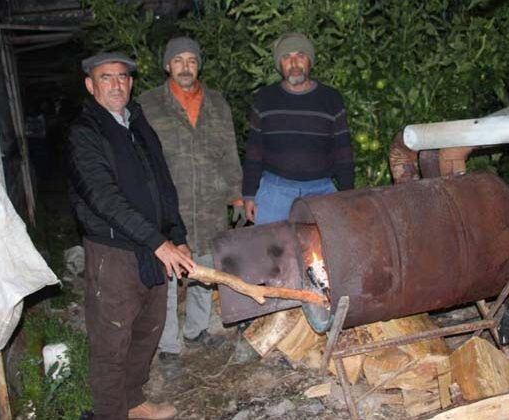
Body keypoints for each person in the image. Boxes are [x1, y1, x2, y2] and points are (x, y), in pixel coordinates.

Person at [67, 51, 195, 420]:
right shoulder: (84, 133)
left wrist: (176, 234)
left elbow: (162, 184)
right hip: (114, 250)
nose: (117, 84)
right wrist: (158, 241)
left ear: (131, 82)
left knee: (147, 329)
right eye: (106, 77)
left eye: (123, 76)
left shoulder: (137, 123)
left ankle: (133, 402)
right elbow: (103, 197)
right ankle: (111, 413)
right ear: (91, 86)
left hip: (153, 246)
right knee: (112, 340)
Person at [138, 37, 244, 362]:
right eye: (179, 60)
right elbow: (138, 158)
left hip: (211, 202)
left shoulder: (216, 103)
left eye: (192, 61)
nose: (186, 67)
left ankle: (196, 330)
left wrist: (237, 196)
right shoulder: (147, 104)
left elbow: (229, 151)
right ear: (168, 65)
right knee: (168, 273)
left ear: (199, 65)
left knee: (203, 268)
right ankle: (168, 344)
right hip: (168, 206)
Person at [242, 32, 355, 224]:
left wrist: (347, 195)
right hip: (275, 192)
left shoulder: (331, 98)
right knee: (270, 251)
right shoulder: (264, 98)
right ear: (280, 65)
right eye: (286, 57)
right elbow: (254, 151)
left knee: (329, 251)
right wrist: (249, 195)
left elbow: (343, 151)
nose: (294, 64)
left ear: (310, 61)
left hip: (321, 192)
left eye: (300, 56)